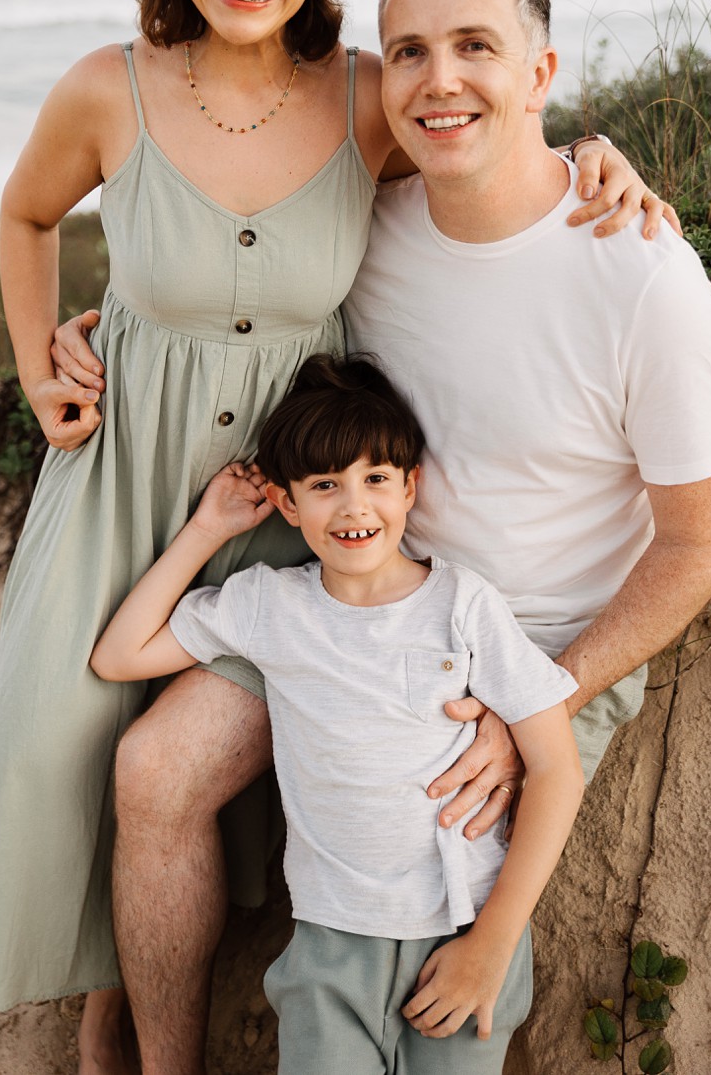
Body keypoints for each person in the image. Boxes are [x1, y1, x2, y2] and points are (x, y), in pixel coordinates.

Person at [0, 0, 666, 1075]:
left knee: (167, 769)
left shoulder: (362, 99)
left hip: (295, 526)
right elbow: (22, 219)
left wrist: (599, 156)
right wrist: (38, 368)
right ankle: (111, 1018)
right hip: (127, 488)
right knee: (49, 752)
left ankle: (134, 1020)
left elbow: (486, 134)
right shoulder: (103, 91)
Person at [90, 354, 585, 1072]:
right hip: (329, 945)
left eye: (375, 479)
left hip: (464, 929)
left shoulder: (463, 605)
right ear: (289, 504)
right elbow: (119, 654)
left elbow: (555, 768)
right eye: (325, 485)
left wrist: (494, 941)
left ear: (410, 487)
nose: (354, 506)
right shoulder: (271, 605)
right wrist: (207, 529)